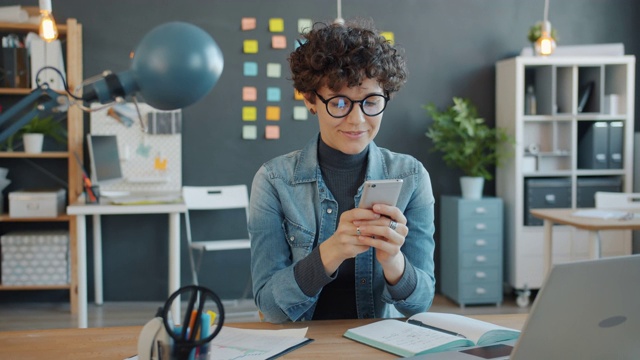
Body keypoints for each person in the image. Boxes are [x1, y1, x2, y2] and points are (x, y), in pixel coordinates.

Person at [249, 18, 435, 323]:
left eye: (371, 101)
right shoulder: (274, 180)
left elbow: (419, 305)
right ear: (310, 100)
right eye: (339, 103)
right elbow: (270, 308)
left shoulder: (412, 177)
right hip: (300, 343)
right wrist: (331, 252)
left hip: (377, 344)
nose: (357, 120)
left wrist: (393, 261)